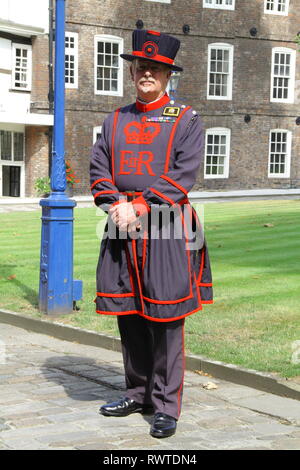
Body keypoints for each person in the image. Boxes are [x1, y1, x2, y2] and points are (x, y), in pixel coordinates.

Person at [90, 29, 213, 438]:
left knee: (165, 317)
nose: (146, 74)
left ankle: (165, 405)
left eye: (154, 69)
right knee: (128, 313)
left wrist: (140, 205)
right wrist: (115, 205)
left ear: (166, 75)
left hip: (165, 225)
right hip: (121, 222)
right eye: (141, 67)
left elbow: (183, 174)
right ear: (133, 73)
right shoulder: (114, 119)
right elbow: (99, 170)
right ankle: (137, 391)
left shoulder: (187, 119)